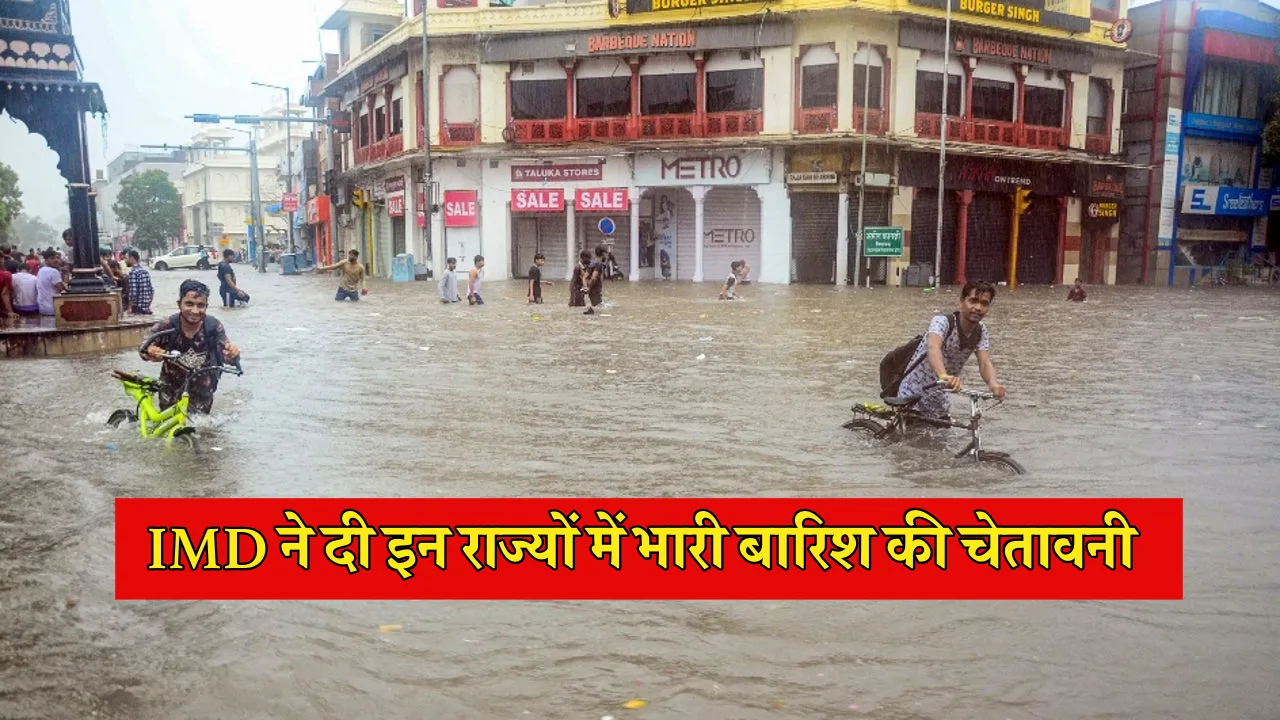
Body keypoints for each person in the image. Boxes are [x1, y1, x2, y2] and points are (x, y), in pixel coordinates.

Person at [894, 280, 1006, 422]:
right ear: (961, 302)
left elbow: (984, 362)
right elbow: (933, 348)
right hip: (913, 394)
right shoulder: (942, 322)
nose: (978, 307)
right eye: (973, 301)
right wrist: (943, 375)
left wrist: (993, 384)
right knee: (907, 442)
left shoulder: (981, 331)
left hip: (940, 397)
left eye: (984, 303)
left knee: (942, 441)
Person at [139, 279, 240, 415]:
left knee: (204, 433)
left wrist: (232, 354)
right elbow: (143, 347)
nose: (195, 311)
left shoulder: (213, 327)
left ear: (206, 306)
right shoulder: (167, 326)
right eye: (189, 304)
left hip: (202, 395)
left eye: (200, 305)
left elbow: (226, 353)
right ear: (179, 304)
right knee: (169, 432)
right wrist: (151, 352)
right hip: (170, 393)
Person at [124, 249, 154, 315]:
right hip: (146, 307)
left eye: (126, 258)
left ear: (131, 258)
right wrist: (148, 305)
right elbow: (151, 291)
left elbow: (133, 293)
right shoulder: (145, 271)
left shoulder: (133, 272)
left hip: (137, 307)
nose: (125, 261)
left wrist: (130, 307)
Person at [36, 250, 65, 316]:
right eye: (52, 258)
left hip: (42, 308)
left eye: (56, 258)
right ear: (46, 260)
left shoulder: (41, 270)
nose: (55, 260)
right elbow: (62, 289)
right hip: (53, 308)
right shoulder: (53, 271)